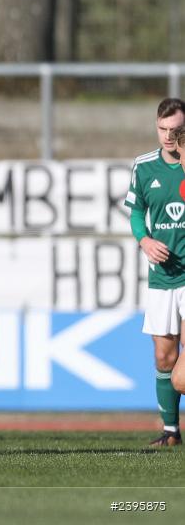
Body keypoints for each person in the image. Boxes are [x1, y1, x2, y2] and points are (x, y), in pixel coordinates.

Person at [126, 98, 185, 447]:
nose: (168, 136)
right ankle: (170, 432)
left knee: (181, 378)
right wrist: (144, 239)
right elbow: (135, 210)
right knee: (164, 357)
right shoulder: (144, 167)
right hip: (163, 277)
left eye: (176, 130)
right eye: (163, 129)